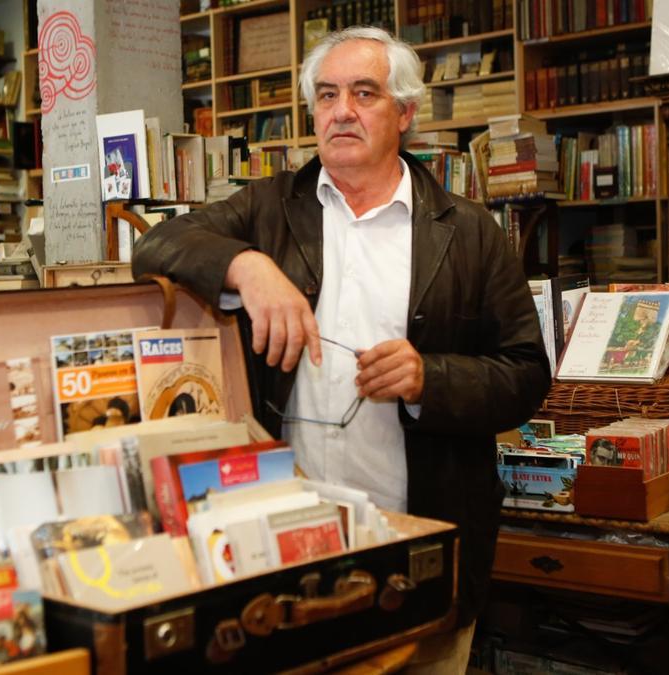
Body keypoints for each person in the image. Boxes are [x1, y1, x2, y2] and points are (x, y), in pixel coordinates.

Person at [133, 26, 550, 672]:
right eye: (327, 96)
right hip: (281, 560)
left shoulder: (469, 232)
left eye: (364, 93)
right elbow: (156, 245)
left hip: (421, 558)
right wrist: (247, 266)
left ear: (405, 113)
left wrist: (427, 377)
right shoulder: (270, 210)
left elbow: (527, 374)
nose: (342, 111)